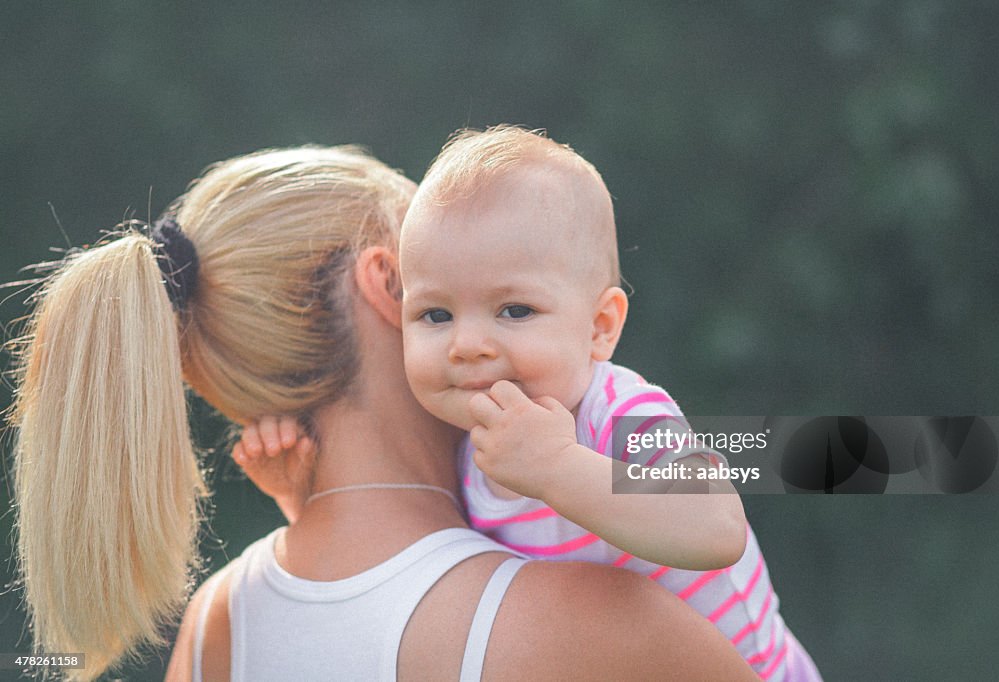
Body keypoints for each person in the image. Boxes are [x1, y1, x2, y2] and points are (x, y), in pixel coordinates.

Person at [8, 145, 759, 681]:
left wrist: (310, 508)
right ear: (390, 286)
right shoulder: (598, 626)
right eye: (439, 294)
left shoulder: (215, 630)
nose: (478, 341)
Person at [397, 126, 821, 680]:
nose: (467, 344)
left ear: (600, 328)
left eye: (515, 310)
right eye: (435, 315)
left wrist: (556, 467)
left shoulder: (619, 413)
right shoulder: (463, 442)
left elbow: (717, 528)